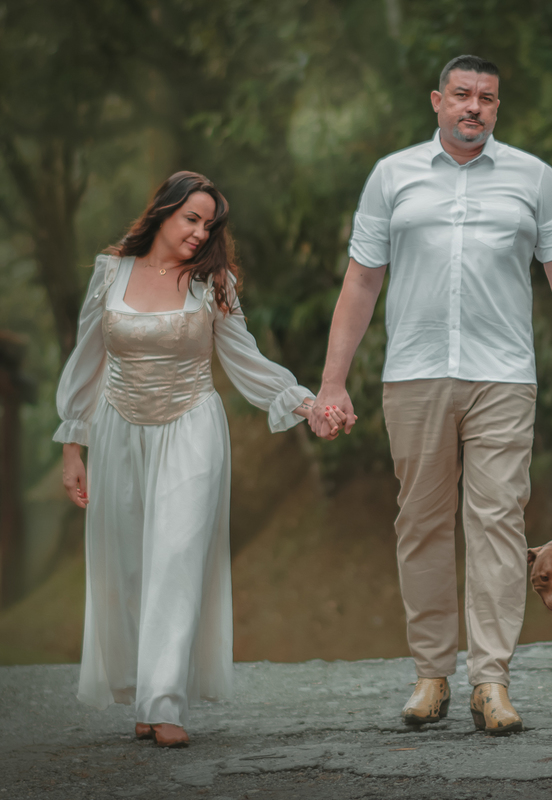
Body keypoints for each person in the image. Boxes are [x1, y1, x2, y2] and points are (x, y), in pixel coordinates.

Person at [309, 54, 552, 734]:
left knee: (499, 520)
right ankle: (432, 673)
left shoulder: (533, 178)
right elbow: (360, 283)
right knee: (421, 524)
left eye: (488, 98)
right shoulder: (393, 176)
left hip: (503, 376)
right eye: (463, 95)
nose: (475, 106)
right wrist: (331, 381)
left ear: (499, 107)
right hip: (413, 374)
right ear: (437, 100)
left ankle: (491, 681)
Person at [55, 171, 342, 747]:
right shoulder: (110, 272)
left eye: (208, 224)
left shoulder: (214, 283)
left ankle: (164, 703)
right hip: (118, 428)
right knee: (130, 561)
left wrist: (307, 404)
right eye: (191, 218)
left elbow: (247, 360)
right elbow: (87, 360)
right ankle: (140, 691)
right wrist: (72, 448)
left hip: (191, 427)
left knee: (178, 553)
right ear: (162, 212)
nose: (199, 231)